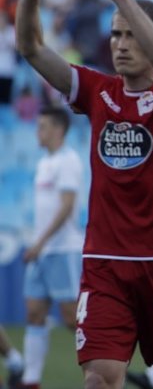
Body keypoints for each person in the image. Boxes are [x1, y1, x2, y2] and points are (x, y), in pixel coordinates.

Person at [16, 0, 153, 388]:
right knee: (100, 379)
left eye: (130, 34)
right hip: (105, 264)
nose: (119, 44)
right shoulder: (99, 92)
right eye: (115, 33)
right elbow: (31, 48)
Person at [20, 106, 84, 389]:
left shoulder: (68, 161)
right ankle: (31, 380)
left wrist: (40, 243)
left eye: (43, 126)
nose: (38, 132)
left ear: (58, 130)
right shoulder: (45, 162)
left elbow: (66, 207)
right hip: (42, 251)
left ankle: (106, 368)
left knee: (72, 318)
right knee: (34, 312)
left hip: (62, 251)